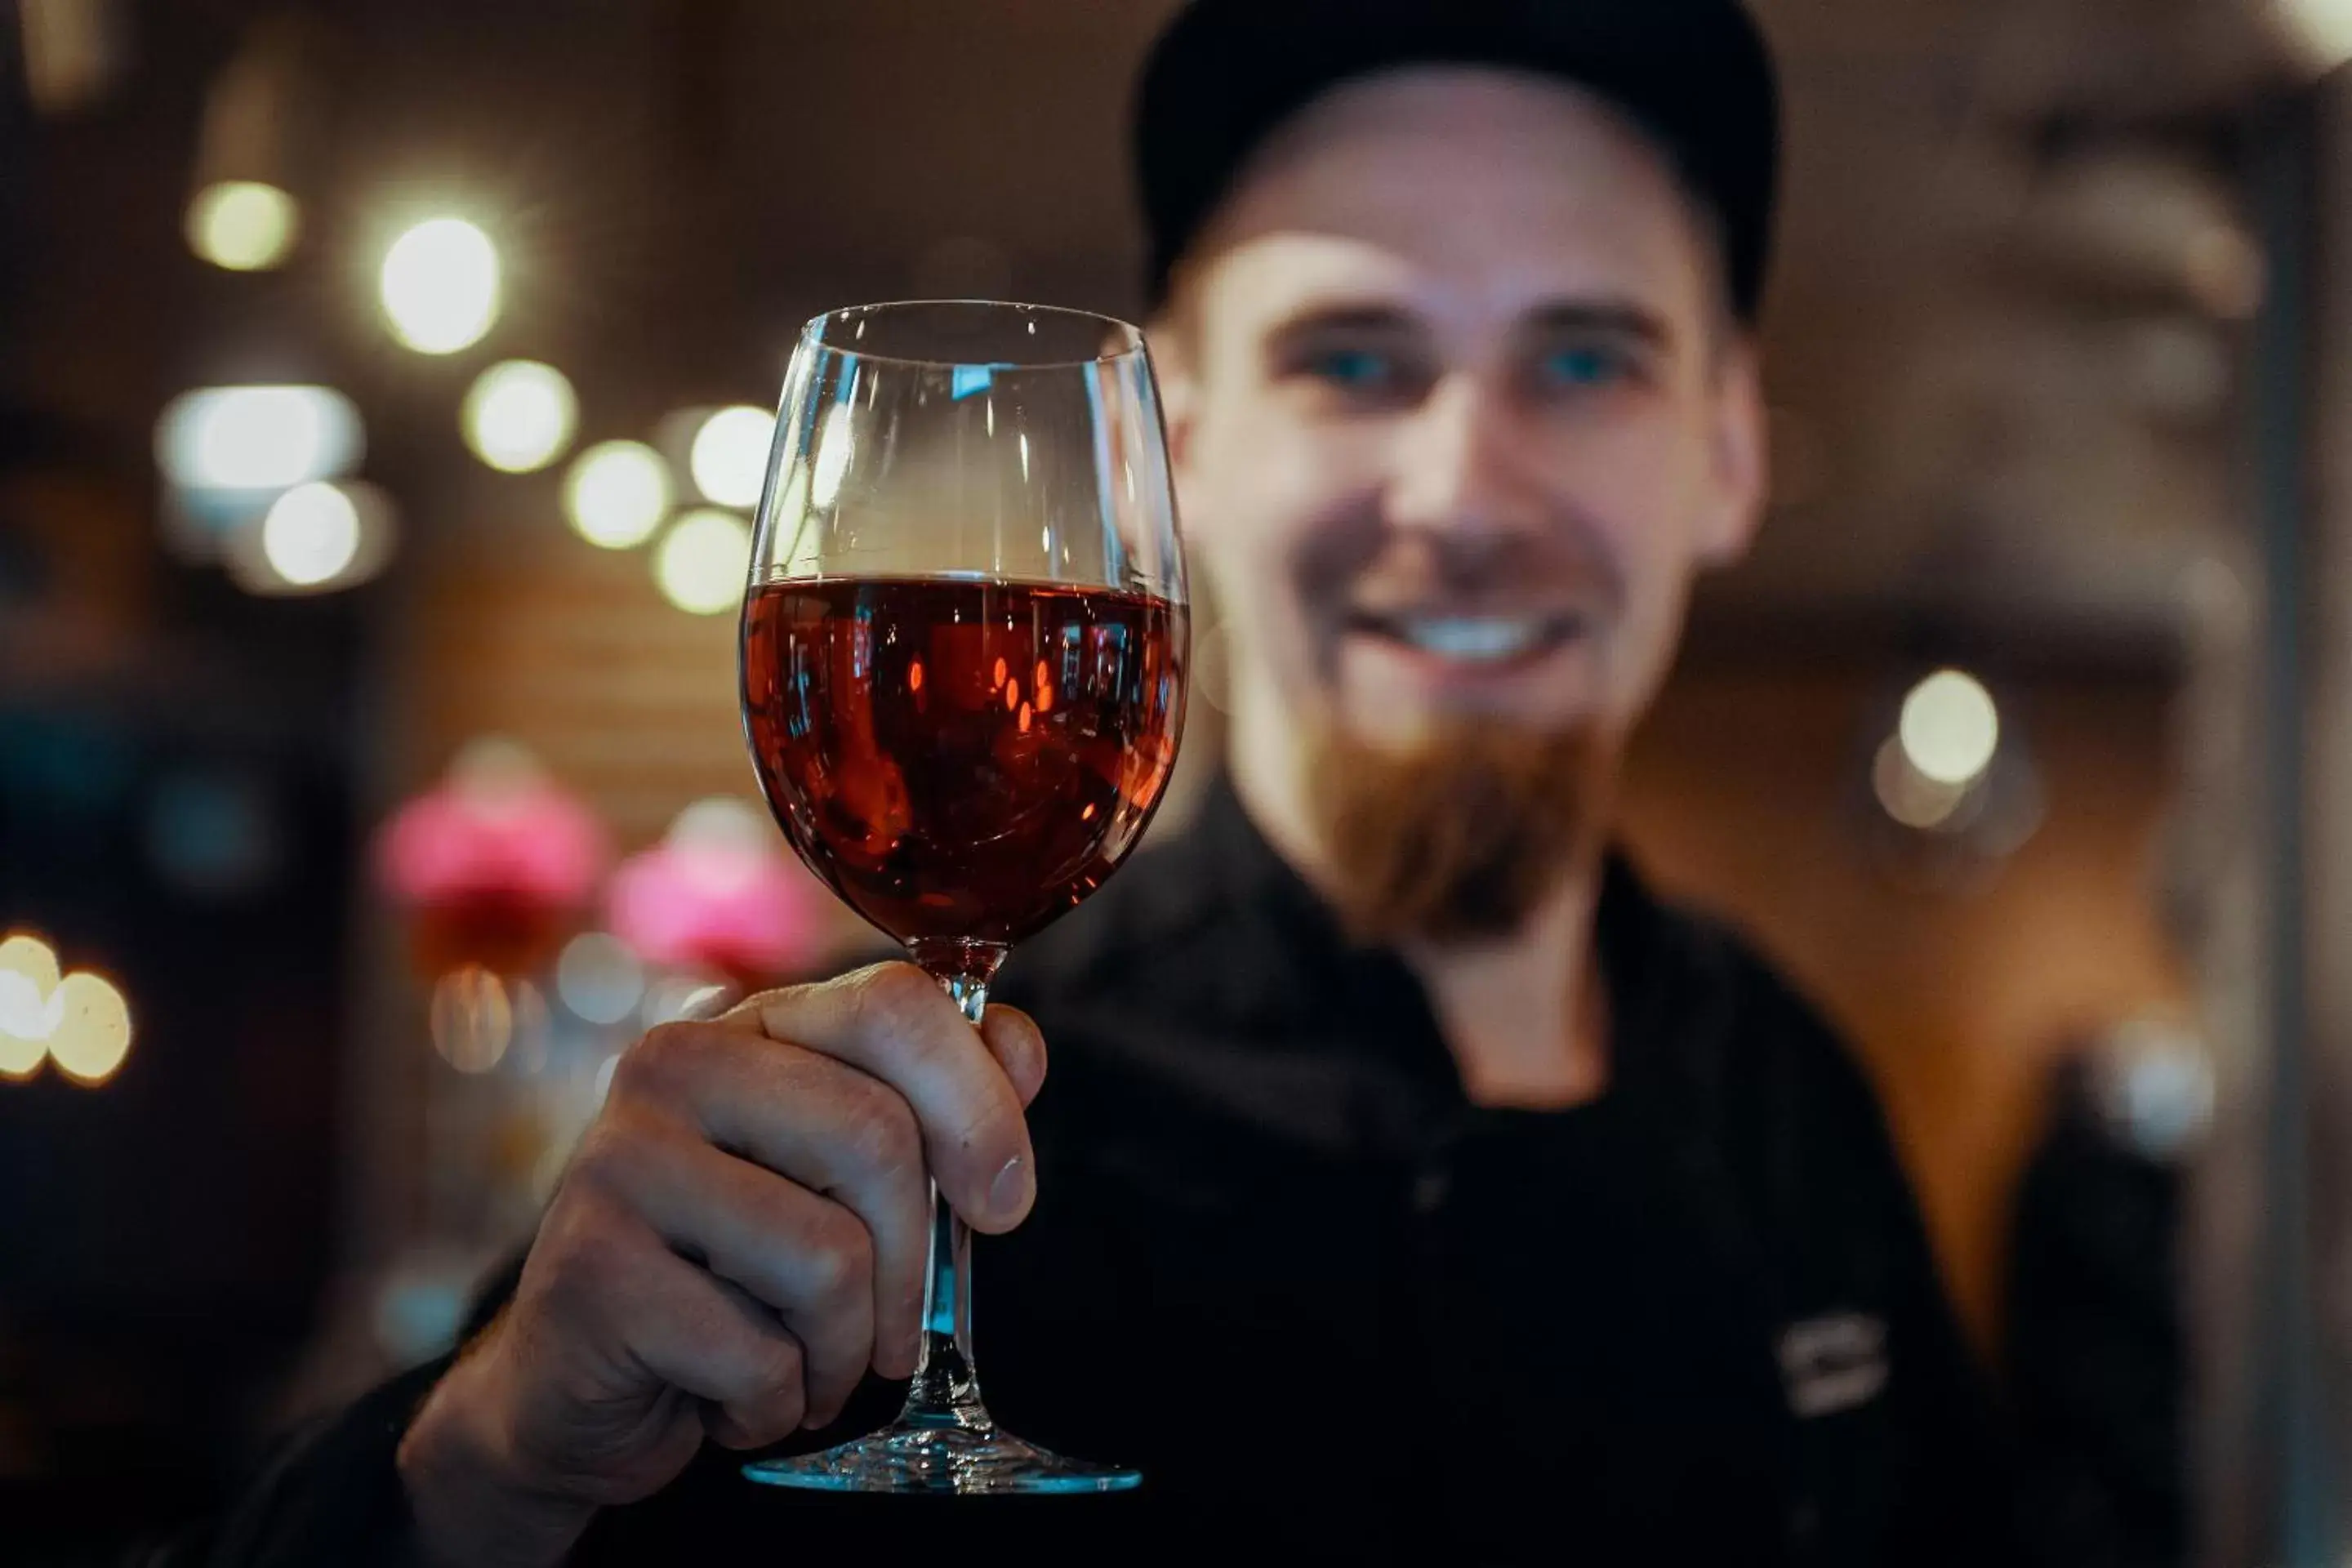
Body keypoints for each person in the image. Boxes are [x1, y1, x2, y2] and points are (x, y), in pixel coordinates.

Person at [175, 2, 2033, 1562]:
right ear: (1187, 456)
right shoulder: (860, 1140)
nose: (1465, 494)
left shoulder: (1801, 1108)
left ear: (1723, 452)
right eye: (1357, 358)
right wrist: (483, 1470)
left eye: (1582, 356)